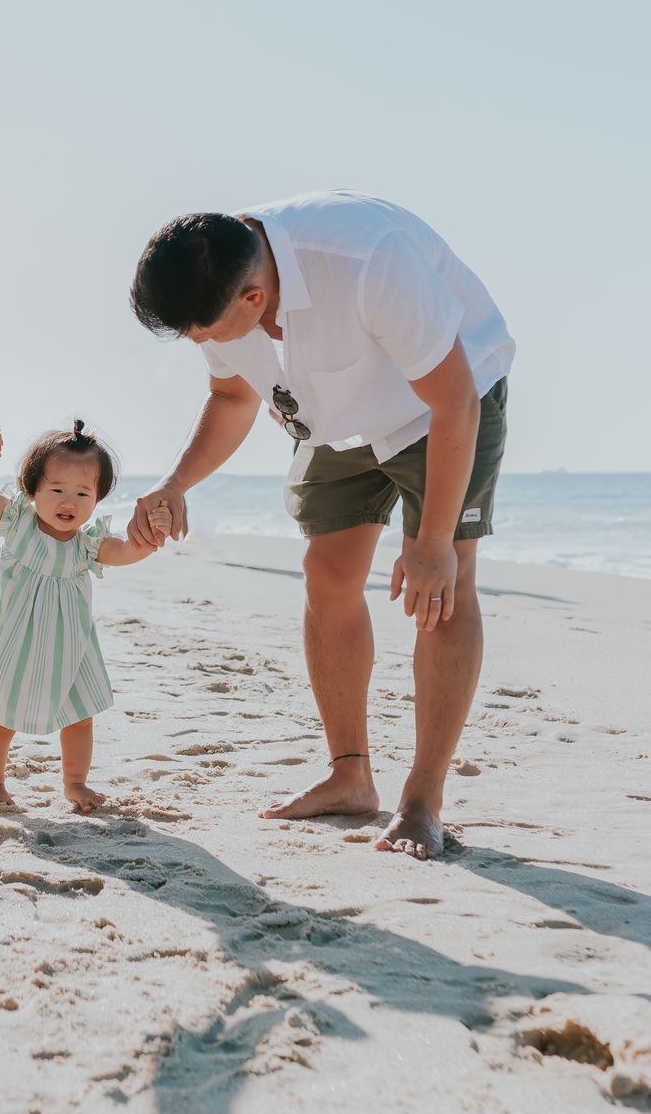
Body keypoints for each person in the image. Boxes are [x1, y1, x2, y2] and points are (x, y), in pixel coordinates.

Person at [127, 193, 515, 861]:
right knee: (327, 575)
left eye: (205, 331)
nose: (203, 344)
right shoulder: (220, 272)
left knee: (442, 588)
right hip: (338, 420)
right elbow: (231, 396)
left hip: (443, 407)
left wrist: (428, 545)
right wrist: (174, 483)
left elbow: (454, 402)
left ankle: (422, 801)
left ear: (253, 299)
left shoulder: (366, 259)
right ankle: (350, 776)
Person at [0, 421, 173, 813]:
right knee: (2, 720)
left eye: (83, 493)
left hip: (71, 648)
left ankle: (75, 782)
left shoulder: (89, 545)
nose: (70, 502)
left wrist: (152, 536)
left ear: (97, 499)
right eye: (57, 490)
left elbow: (124, 553)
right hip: (16, 642)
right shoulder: (19, 526)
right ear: (31, 490)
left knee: (81, 717)